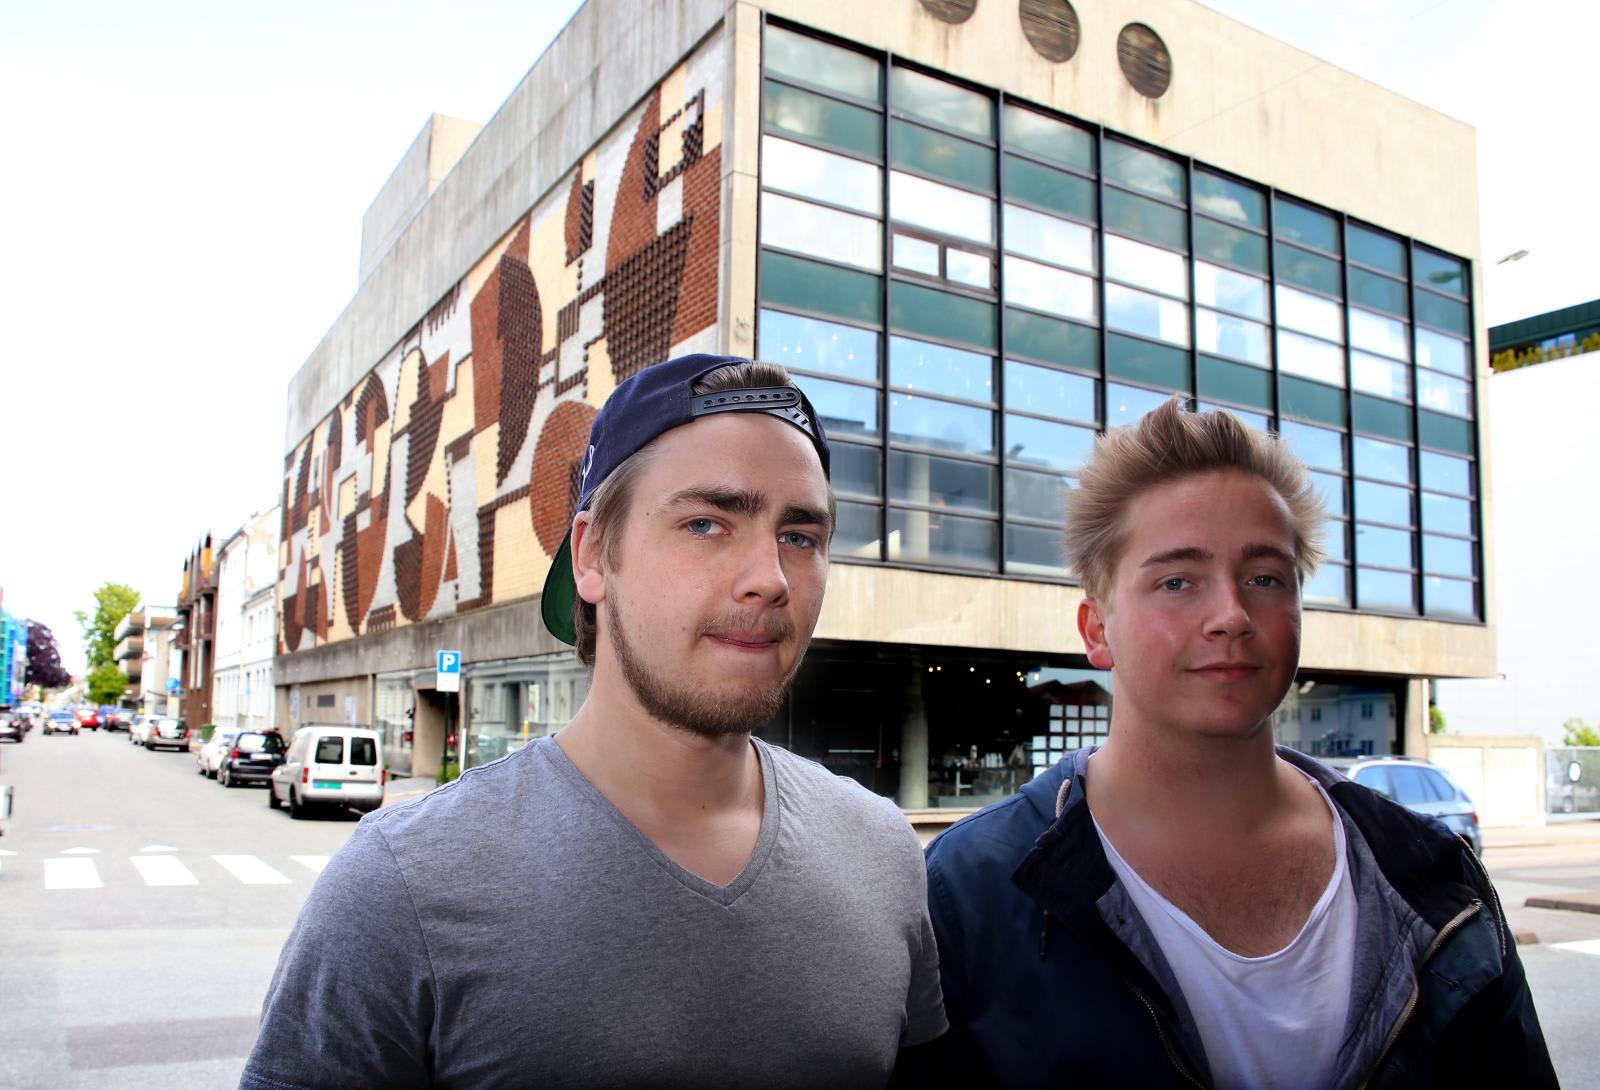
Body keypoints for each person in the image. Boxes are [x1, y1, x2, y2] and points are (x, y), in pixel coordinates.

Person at [241, 354, 945, 1090]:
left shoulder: (883, 854)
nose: (769, 577)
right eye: (706, 523)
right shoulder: (403, 886)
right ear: (592, 556)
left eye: (799, 537)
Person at [924, 400, 1555, 1089]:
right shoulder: (968, 891)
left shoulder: (1434, 877)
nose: (1231, 615)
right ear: (1096, 629)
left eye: (1264, 579)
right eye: (1177, 581)